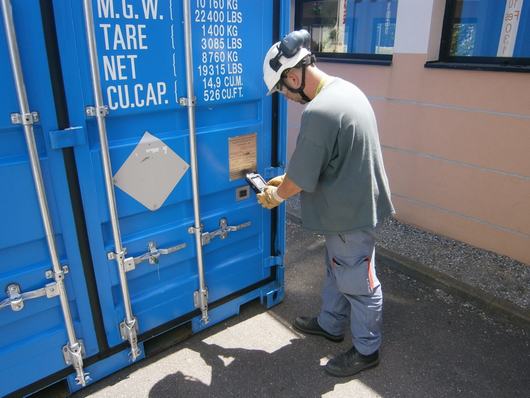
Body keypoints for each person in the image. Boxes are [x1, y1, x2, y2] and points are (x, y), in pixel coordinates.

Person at [258, 30, 395, 377]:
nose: (286, 98)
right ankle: (331, 324)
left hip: (349, 216)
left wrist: (277, 194)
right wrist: (287, 179)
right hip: (353, 206)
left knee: (360, 285)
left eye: (282, 91)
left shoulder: (319, 111)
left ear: (293, 76)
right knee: (338, 270)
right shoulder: (345, 89)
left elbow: (302, 177)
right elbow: (325, 158)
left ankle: (367, 351)